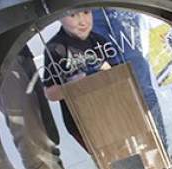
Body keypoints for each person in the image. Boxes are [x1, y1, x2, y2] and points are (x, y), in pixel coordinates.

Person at [91, 8, 167, 144]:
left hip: (123, 9)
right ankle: (140, 149)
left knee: (143, 86)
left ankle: (160, 147)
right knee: (112, 90)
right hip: (90, 12)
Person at [41, 11, 116, 148]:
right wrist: (75, 83)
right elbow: (50, 94)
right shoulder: (55, 48)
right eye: (73, 15)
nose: (82, 21)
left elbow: (119, 75)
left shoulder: (100, 40)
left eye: (86, 12)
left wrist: (107, 72)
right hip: (81, 122)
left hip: (113, 111)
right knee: (106, 155)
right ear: (58, 17)